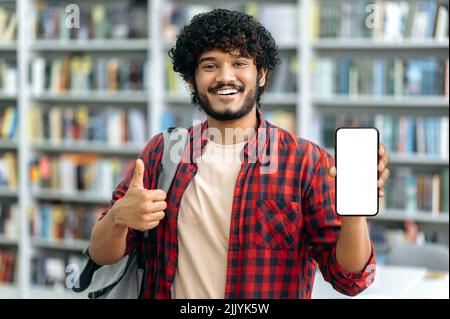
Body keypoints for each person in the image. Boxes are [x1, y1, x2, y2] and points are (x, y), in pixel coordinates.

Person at [88, 9, 390, 299]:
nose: (225, 76)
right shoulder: (162, 154)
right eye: (210, 66)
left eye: (240, 63)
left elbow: (351, 280)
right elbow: (100, 255)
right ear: (191, 81)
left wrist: (354, 214)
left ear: (261, 75)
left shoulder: (306, 163)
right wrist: (118, 218)